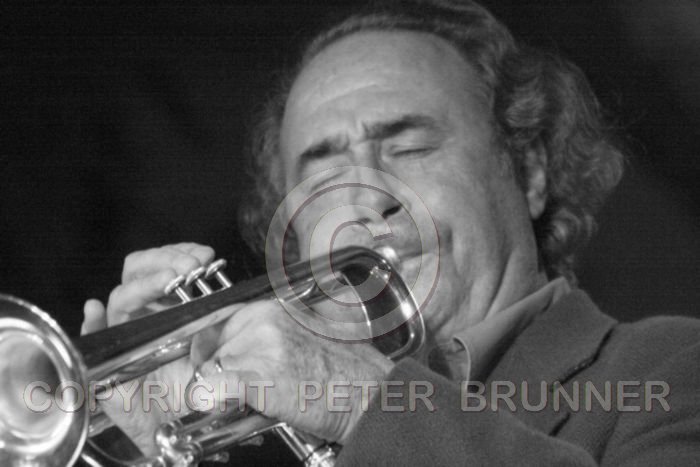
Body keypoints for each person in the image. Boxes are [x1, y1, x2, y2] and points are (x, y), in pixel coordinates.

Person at [82, 0, 700, 464]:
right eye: (323, 170)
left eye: (410, 147)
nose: (363, 199)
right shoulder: (261, 439)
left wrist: (365, 402)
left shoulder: (669, 369)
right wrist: (150, 448)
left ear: (529, 172)